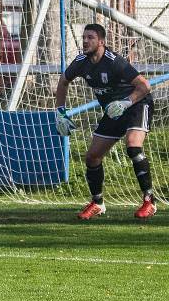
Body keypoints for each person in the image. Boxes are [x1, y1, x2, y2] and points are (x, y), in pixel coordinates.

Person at [55, 23, 155, 219]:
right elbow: (63, 81)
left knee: (133, 146)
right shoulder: (81, 61)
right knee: (92, 157)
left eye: (90, 37)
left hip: (136, 104)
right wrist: (60, 112)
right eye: (84, 37)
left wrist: (126, 102)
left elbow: (145, 86)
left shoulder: (114, 61)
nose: (85, 41)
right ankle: (98, 203)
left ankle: (149, 201)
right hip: (114, 110)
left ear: (101, 42)